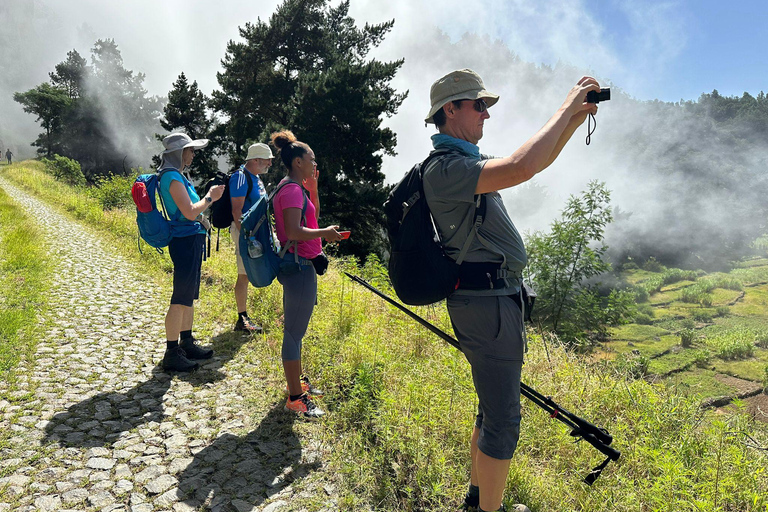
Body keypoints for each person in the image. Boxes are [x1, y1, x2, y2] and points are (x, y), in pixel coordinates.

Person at [421, 69, 600, 512]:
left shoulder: (460, 164)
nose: (486, 114)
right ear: (451, 110)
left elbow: (528, 166)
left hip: (489, 301)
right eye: (478, 105)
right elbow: (522, 166)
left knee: (490, 409)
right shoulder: (449, 169)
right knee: (503, 419)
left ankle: (477, 499)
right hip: (488, 306)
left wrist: (573, 122)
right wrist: (565, 106)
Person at [270, 130, 343, 418]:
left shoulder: (294, 187)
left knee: (296, 331)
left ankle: (297, 383)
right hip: (299, 266)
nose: (315, 163)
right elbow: (293, 231)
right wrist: (325, 233)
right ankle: (295, 398)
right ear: (298, 161)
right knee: (294, 332)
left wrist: (313, 189)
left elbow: (309, 216)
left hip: (303, 264)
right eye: (311, 159)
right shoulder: (289, 190)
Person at [157, 133, 225, 372]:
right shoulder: (173, 177)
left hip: (189, 239)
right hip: (184, 240)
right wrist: (211, 196)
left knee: (188, 296)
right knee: (180, 298)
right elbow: (188, 211)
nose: (193, 154)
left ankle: (185, 342)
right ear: (179, 152)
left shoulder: (176, 175)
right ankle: (172, 352)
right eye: (191, 150)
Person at [229, 142, 273, 333]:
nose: (270, 164)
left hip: (256, 232)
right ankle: (242, 319)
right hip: (245, 233)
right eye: (267, 160)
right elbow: (236, 210)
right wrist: (247, 237)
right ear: (255, 159)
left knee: (247, 272)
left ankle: (244, 317)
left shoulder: (256, 178)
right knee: (244, 274)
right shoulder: (240, 177)